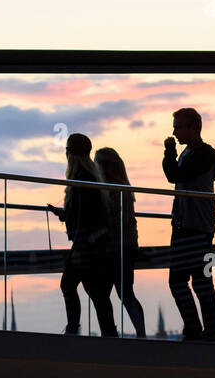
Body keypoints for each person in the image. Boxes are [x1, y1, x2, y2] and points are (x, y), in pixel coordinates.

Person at [47, 133, 117, 337]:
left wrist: (78, 238)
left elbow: (83, 215)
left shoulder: (80, 181)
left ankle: (73, 329)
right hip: (95, 245)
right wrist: (62, 213)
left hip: (85, 245)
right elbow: (89, 213)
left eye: (67, 150)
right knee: (97, 293)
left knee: (70, 285)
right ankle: (109, 334)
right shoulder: (92, 179)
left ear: (71, 154)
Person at [162, 108, 215, 341]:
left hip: (194, 226)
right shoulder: (198, 153)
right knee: (198, 281)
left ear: (192, 128)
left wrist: (169, 151)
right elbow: (213, 172)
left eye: (178, 126)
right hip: (193, 225)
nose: (175, 131)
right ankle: (203, 330)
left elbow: (173, 175)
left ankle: (200, 330)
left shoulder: (202, 153)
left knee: (189, 281)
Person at [95, 146, 146, 337]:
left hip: (117, 249)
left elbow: (117, 223)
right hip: (124, 248)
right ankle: (137, 333)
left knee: (111, 294)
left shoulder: (116, 192)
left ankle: (112, 334)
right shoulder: (123, 190)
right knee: (123, 294)